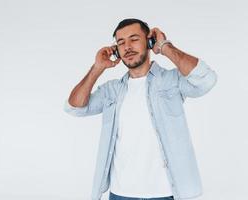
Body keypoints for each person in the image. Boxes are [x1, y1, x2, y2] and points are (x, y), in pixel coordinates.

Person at [64, 18, 217, 200]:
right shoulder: (111, 91)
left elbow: (206, 80)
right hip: (120, 194)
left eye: (134, 39)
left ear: (149, 42)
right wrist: (97, 68)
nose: (127, 47)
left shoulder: (171, 80)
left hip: (166, 194)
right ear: (117, 51)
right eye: (121, 43)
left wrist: (165, 47)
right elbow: (74, 107)